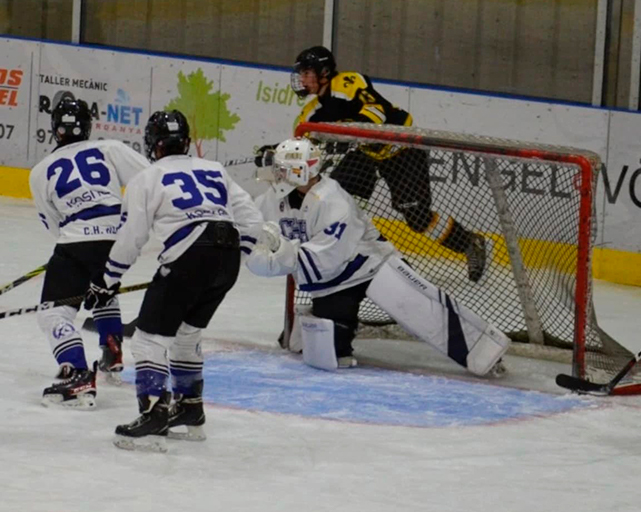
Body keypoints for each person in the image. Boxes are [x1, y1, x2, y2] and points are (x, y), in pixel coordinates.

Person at [246, 137, 509, 376]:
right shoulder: (275, 198)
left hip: (374, 267)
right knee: (328, 355)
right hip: (334, 282)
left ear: (301, 172)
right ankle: (327, 325)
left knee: (424, 311)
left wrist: (276, 258)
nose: (277, 174)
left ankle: (487, 353)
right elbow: (250, 222)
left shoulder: (332, 201)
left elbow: (326, 258)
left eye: (283, 169)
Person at [83, 110, 263, 452]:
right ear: (185, 140)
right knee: (186, 334)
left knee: (149, 339)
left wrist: (107, 279)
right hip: (227, 256)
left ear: (153, 145)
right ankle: (189, 408)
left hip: (188, 255)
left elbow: (131, 236)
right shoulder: (215, 169)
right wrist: (230, 258)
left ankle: (153, 413)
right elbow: (251, 218)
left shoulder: (147, 178)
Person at [288, 46, 488, 283]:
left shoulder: (347, 83)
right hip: (365, 154)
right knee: (339, 201)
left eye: (306, 72)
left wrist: (348, 137)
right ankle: (372, 260)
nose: (301, 79)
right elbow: (300, 147)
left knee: (417, 217)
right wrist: (278, 153)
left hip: (401, 147)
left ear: (323, 72)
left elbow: (377, 113)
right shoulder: (312, 112)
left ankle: (469, 243)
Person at [29, 96, 150, 409]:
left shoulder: (40, 170)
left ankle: (78, 374)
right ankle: (112, 350)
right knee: (102, 288)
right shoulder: (110, 148)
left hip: (76, 238)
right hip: (118, 239)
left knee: (53, 312)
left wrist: (73, 246)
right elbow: (151, 180)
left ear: (56, 129)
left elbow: (53, 226)